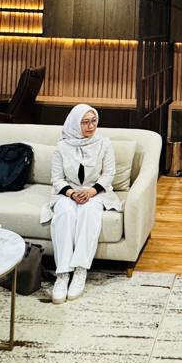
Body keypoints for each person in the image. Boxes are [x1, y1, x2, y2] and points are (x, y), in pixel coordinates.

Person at [41, 104, 122, 304]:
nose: (91, 126)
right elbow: (57, 179)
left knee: (89, 211)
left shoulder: (104, 144)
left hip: (95, 192)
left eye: (93, 121)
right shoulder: (62, 147)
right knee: (65, 213)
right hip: (68, 193)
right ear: (75, 124)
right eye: (85, 122)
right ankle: (62, 274)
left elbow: (109, 174)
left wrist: (91, 191)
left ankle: (80, 269)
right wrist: (71, 193)